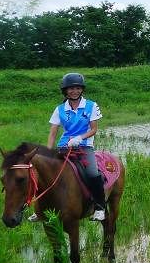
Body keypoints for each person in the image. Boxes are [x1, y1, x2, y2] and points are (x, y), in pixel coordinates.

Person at [29, 73, 106, 222]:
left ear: (82, 89)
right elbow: (53, 133)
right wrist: (48, 152)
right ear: (65, 91)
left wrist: (80, 138)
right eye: (71, 89)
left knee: (92, 173)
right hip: (63, 147)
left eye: (77, 88)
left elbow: (94, 129)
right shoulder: (60, 109)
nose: (74, 91)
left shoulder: (91, 105)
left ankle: (100, 208)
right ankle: (39, 210)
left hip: (84, 147)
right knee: (42, 172)